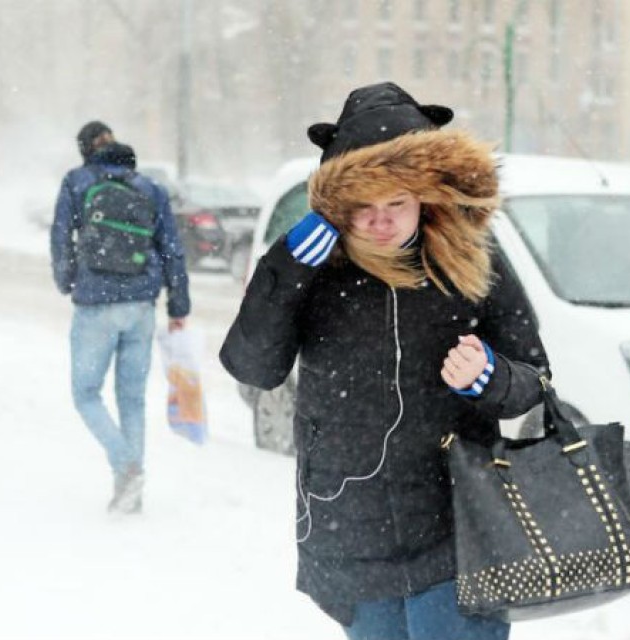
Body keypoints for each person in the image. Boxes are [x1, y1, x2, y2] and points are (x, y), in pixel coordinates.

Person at [219, 82, 551, 640]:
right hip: (351, 525)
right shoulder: (313, 270)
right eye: (362, 207)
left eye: (396, 203)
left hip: (458, 523)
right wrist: (284, 272)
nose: (379, 222)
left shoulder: (472, 258)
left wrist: (490, 377)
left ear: (425, 198)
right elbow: (254, 368)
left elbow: (533, 378)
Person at [51, 121, 190, 514]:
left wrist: (68, 281)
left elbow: (61, 236)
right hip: (140, 304)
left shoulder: (77, 182)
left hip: (95, 301)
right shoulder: (150, 189)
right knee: (131, 399)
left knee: (85, 393)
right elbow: (172, 251)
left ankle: (125, 467)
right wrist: (178, 306)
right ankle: (132, 491)